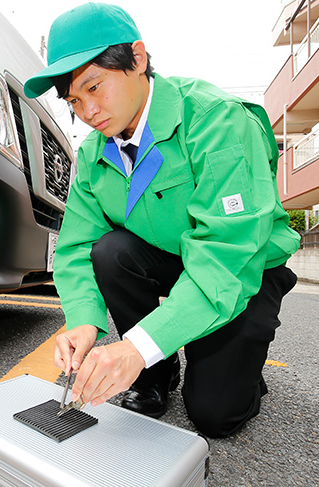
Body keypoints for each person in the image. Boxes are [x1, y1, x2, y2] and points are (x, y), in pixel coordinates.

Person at [23, 3, 301, 438]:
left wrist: (136, 345)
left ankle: (233, 363)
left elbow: (228, 254)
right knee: (110, 251)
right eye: (74, 100)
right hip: (172, 264)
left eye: (95, 87)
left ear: (138, 58)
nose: (88, 111)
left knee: (215, 415)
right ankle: (156, 371)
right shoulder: (94, 155)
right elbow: (76, 247)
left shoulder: (216, 120)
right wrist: (82, 320)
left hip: (241, 271)